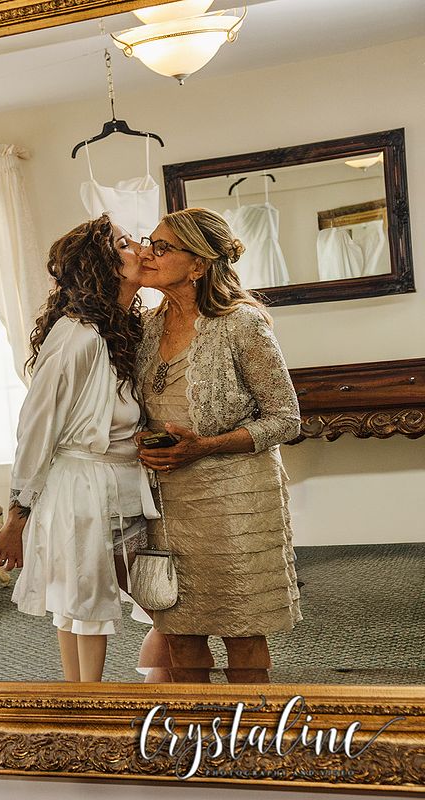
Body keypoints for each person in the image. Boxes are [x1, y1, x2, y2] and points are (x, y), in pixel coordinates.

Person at [133, 207, 301, 684]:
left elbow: (285, 419)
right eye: (150, 241)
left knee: (242, 631)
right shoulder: (144, 328)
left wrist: (203, 446)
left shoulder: (240, 323)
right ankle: (197, 746)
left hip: (235, 503)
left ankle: (254, 747)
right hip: (168, 502)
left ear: (199, 264)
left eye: (163, 247)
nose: (149, 252)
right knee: (179, 633)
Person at [0, 213, 158, 682]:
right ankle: (85, 707)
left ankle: (86, 702)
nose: (140, 249)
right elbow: (35, 427)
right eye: (125, 244)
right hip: (82, 486)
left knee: (87, 598)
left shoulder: (124, 327)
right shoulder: (78, 337)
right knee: (81, 601)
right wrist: (17, 515)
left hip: (123, 481)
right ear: (101, 265)